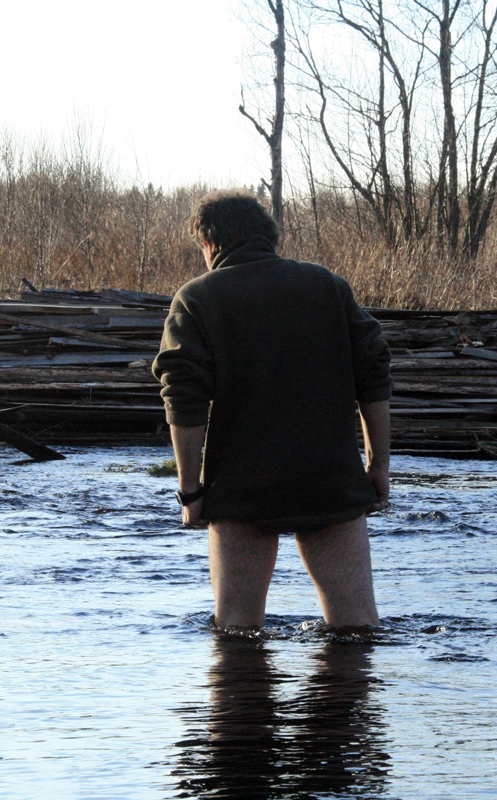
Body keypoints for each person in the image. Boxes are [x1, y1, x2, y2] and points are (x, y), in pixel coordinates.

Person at [152, 190, 391, 632]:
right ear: (268, 236)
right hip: (329, 478)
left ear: (209, 243)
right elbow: (373, 375)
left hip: (242, 484)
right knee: (357, 627)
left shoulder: (197, 298)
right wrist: (378, 465)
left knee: (236, 629)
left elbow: (184, 398)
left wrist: (190, 491)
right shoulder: (327, 286)